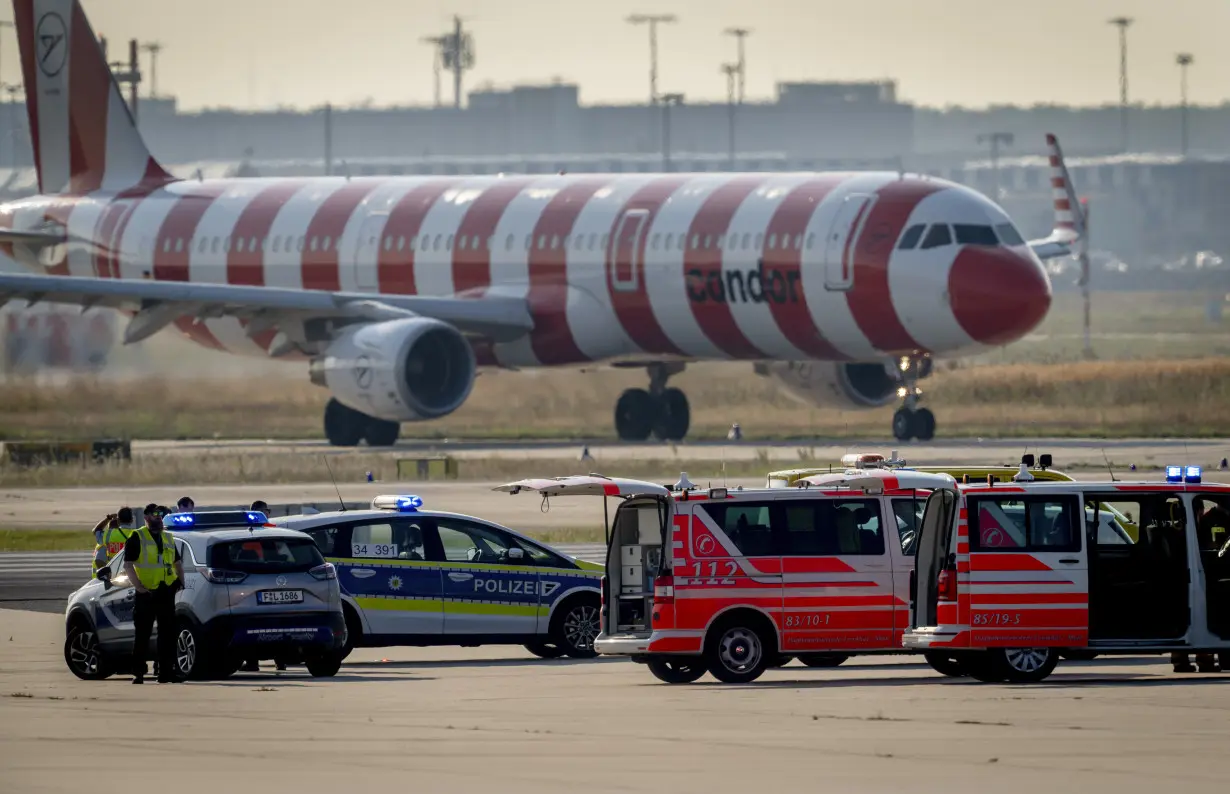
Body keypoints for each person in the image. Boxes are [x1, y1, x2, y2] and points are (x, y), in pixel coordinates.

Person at [123, 504, 185, 684]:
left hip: (166, 590)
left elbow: (177, 562)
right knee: (143, 633)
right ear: (147, 517)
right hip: (147, 592)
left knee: (168, 633)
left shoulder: (167, 536)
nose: (159, 517)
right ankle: (139, 673)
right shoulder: (137, 536)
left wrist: (181, 581)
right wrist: (140, 587)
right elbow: (128, 565)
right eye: (155, 514)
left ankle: (167, 672)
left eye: (161, 514)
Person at [239, 500, 287, 673]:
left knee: (269, 624)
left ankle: (277, 661)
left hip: (265, 582)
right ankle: (259, 662)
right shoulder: (252, 531)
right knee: (261, 624)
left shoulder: (268, 529)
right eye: (265, 511)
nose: (267, 514)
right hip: (262, 581)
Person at [91, 507, 137, 576]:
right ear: (132, 520)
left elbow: (96, 531)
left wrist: (108, 518)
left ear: (118, 520)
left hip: (112, 572)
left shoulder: (108, 534)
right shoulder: (137, 534)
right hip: (131, 572)